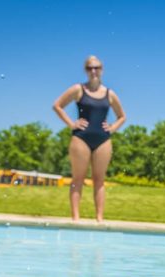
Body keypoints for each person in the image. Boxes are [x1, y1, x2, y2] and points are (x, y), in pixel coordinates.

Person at [52, 55, 127, 223]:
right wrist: (71, 124)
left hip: (103, 139)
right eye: (90, 68)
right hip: (81, 138)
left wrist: (113, 128)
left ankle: (100, 218)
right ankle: (76, 218)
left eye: (97, 67)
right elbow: (57, 105)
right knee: (78, 178)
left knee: (99, 180)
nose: (93, 71)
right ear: (86, 70)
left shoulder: (110, 94)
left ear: (102, 69)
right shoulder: (78, 89)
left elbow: (122, 116)